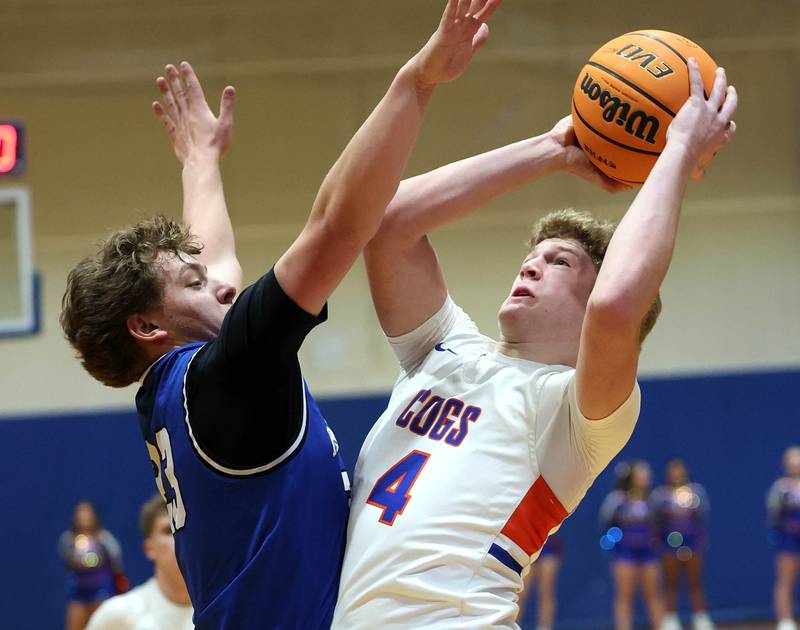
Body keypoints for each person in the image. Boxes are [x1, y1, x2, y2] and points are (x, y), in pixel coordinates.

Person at [60, 1, 505, 627]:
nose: (221, 287)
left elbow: (211, 260)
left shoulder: (175, 392)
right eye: (194, 283)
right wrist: (418, 81)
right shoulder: (225, 376)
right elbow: (338, 224)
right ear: (148, 327)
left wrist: (201, 162)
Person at [332, 55, 738, 627]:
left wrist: (677, 150)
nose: (530, 264)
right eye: (532, 255)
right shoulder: (442, 351)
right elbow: (391, 222)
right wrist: (551, 150)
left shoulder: (574, 413)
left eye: (559, 260)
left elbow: (617, 304)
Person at [86, 496, 193, 630]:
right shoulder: (117, 615)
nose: (180, 540)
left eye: (188, 530)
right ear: (149, 548)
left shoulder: (223, 612)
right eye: (168, 531)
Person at [601, 461, 664, 630]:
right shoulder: (616, 500)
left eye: (647, 474)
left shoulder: (654, 499)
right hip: (625, 552)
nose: (646, 477)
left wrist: (656, 543)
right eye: (641, 473)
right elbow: (607, 525)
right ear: (631, 477)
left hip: (648, 552)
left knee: (653, 595)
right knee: (624, 596)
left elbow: (661, 525)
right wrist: (614, 545)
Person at [652, 459, 714, 630]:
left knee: (695, 581)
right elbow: (655, 520)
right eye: (673, 471)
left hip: (693, 542)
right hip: (669, 544)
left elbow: (703, 515)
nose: (676, 475)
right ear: (667, 474)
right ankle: (670, 618)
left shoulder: (696, 491)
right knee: (671, 581)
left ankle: (700, 616)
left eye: (680, 471)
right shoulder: (660, 495)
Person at [59, 501, 127, 630]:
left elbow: (116, 564)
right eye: (81, 514)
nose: (85, 518)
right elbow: (67, 560)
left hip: (101, 591)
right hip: (78, 593)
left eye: (87, 514)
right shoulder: (68, 540)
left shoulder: (105, 539)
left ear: (94, 516)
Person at [768, 446, 800, 630]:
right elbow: (773, 515)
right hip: (788, 539)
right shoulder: (780, 487)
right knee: (785, 579)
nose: (796, 466)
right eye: (792, 463)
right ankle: (785, 620)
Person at [517, 533, 563, 630]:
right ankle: (511, 625)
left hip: (548, 544)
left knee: (546, 590)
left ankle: (544, 627)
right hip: (528, 542)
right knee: (520, 592)